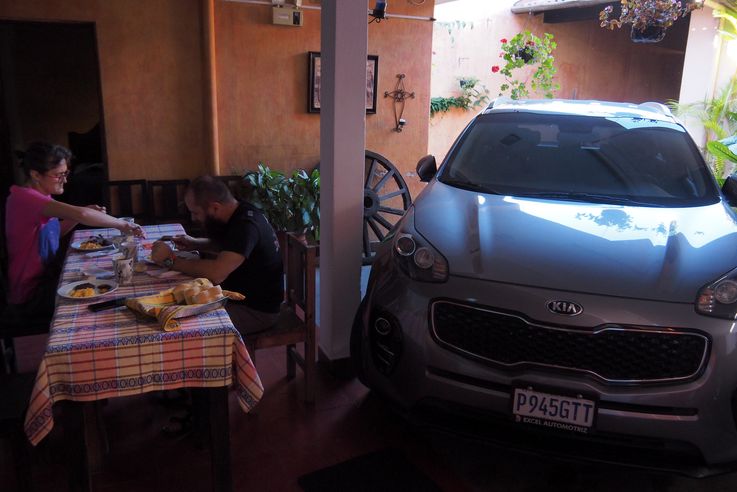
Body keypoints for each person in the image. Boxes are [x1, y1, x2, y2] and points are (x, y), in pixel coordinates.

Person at [5, 141, 144, 317]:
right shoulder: (25, 199)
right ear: (36, 175)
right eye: (58, 175)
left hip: (46, 279)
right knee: (104, 295)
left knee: (103, 281)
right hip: (31, 293)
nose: (65, 180)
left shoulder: (39, 196)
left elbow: (56, 232)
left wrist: (77, 216)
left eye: (66, 173)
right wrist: (123, 224)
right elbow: (83, 215)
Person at [150, 175, 284, 334]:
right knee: (174, 303)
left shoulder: (246, 226)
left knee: (178, 325)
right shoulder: (240, 210)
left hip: (256, 311)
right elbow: (230, 248)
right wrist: (194, 243)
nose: (194, 218)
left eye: (196, 213)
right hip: (236, 298)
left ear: (215, 207)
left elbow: (216, 273)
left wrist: (171, 260)